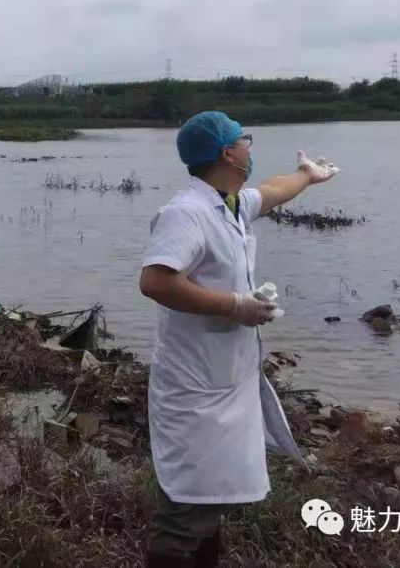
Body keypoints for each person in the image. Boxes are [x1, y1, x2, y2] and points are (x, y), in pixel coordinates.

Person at [139, 111, 339, 568]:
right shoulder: (185, 213)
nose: (250, 145)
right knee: (186, 508)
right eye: (244, 139)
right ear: (228, 152)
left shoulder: (226, 203)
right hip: (195, 385)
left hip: (225, 375)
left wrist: (307, 177)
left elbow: (269, 193)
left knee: (213, 499)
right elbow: (155, 282)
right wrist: (235, 306)